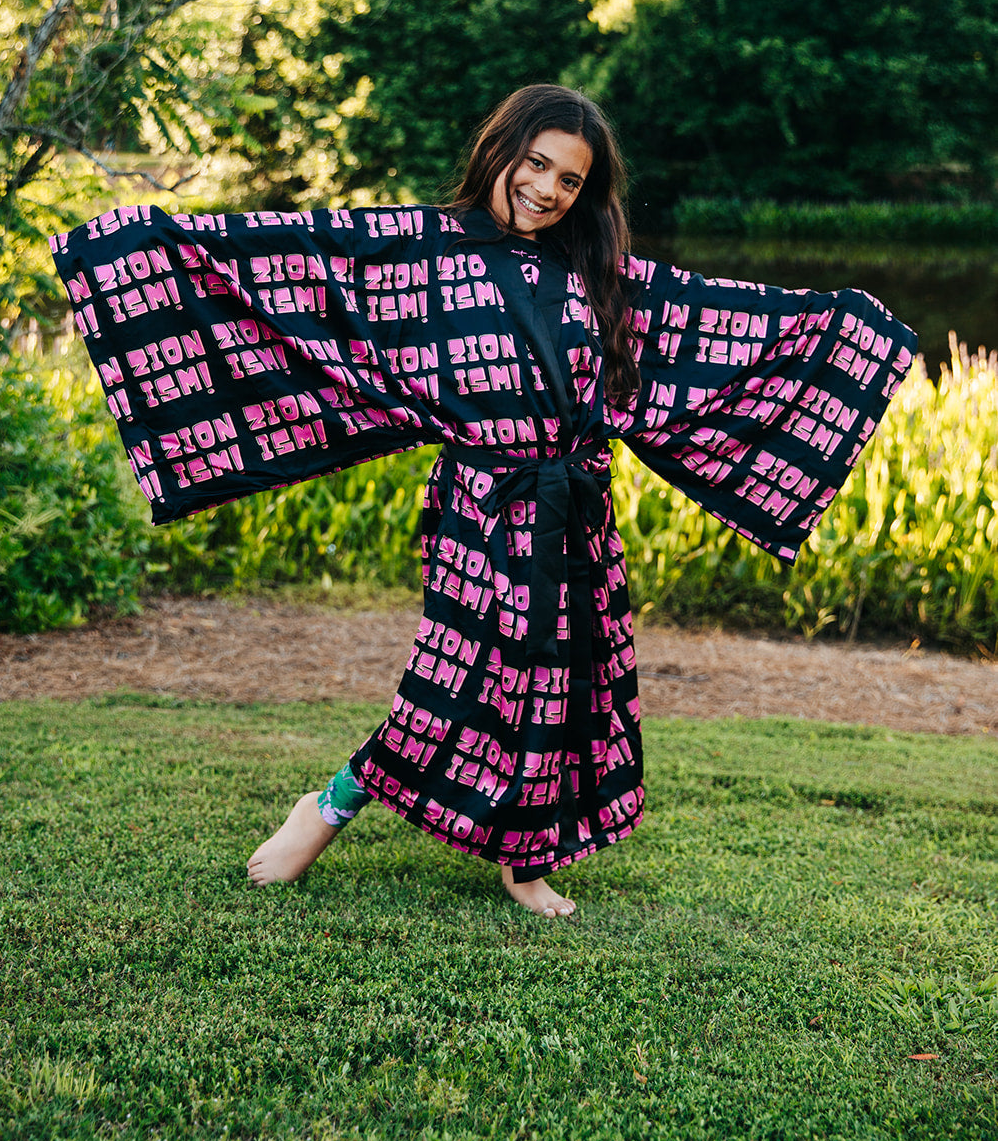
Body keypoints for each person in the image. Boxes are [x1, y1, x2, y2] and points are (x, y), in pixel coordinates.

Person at [51, 84, 916, 920]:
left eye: (568, 179)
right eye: (533, 164)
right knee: (456, 684)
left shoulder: (599, 272)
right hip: (483, 509)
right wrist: (138, 246)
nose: (544, 190)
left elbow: (722, 325)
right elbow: (283, 260)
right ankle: (325, 808)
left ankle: (524, 860)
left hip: (575, 511)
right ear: (499, 149)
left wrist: (843, 328)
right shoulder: (413, 249)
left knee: (560, 688)